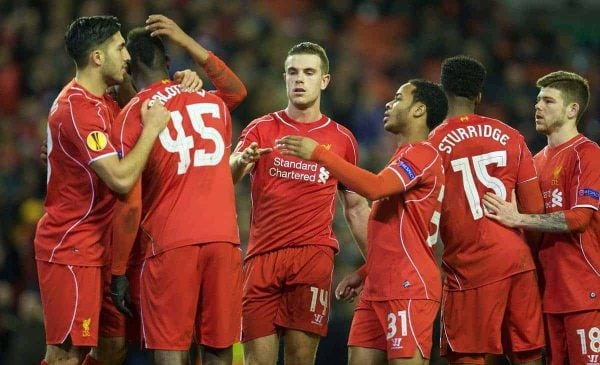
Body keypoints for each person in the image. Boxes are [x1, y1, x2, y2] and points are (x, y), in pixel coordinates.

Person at [278, 79, 448, 364]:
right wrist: (366, 272)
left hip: (409, 285)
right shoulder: (402, 157)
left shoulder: (424, 154)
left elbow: (375, 188)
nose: (389, 104)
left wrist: (320, 154)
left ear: (419, 110)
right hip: (378, 286)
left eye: (397, 98)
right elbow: (398, 233)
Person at [109, 14, 247, 365]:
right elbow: (237, 91)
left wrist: (119, 269)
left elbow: (129, 202)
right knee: (219, 349)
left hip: (170, 244)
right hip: (223, 239)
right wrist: (187, 41)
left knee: (171, 348)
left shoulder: (133, 114)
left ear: (127, 70)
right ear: (167, 62)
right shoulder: (211, 101)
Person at [33, 15, 171, 365]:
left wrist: (182, 82)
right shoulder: (76, 109)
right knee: (66, 354)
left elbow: (140, 102)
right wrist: (152, 128)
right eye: (121, 47)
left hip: (108, 249)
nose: (128, 56)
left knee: (112, 347)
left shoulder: (106, 99)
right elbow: (122, 179)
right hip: (73, 246)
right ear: (97, 57)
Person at [229, 42, 370, 365]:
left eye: (309, 72)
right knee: (256, 361)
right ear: (284, 78)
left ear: (325, 80)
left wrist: (375, 264)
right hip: (261, 258)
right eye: (293, 72)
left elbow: (355, 206)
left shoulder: (341, 139)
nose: (300, 79)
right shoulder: (261, 129)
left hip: (312, 257)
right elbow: (227, 176)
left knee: (300, 359)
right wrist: (241, 161)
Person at [425, 55, 546, 365]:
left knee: (467, 355)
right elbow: (534, 209)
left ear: (442, 91)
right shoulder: (511, 136)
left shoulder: (432, 145)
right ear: (479, 95)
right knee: (527, 353)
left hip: (470, 266)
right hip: (517, 261)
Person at [483, 71, 600, 365]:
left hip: (585, 292)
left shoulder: (587, 154)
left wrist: (518, 218)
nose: (538, 107)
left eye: (548, 101)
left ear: (572, 109)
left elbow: (579, 219)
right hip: (549, 296)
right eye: (537, 100)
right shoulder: (535, 162)